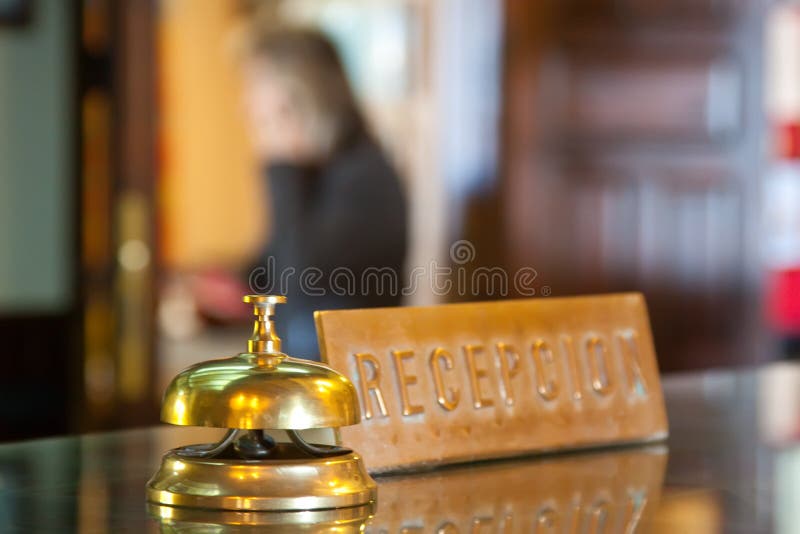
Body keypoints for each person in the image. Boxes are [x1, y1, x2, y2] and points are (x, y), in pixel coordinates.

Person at [241, 27, 407, 359]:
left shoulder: (364, 176)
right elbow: (269, 271)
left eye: (256, 84)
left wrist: (281, 164)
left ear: (299, 95)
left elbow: (300, 280)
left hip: (348, 389)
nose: (245, 104)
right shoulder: (317, 173)